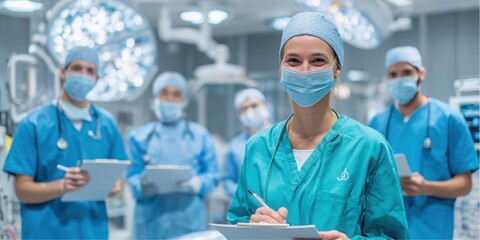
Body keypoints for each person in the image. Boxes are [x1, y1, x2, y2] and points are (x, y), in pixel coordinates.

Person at [227, 12, 409, 239]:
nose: (304, 70)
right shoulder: (258, 148)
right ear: (281, 67)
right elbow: (238, 222)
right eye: (293, 60)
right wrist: (254, 228)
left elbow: (391, 234)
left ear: (336, 68)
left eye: (317, 60)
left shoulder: (369, 148)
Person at [2, 46, 127, 239]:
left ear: (97, 79)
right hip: (45, 232)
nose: (83, 75)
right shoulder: (34, 123)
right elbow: (22, 191)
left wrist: (115, 187)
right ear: (62, 72)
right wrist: (62, 186)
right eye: (77, 68)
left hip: (93, 232)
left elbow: (118, 177)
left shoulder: (107, 125)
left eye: (90, 71)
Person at [368, 46, 479, 239]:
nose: (400, 79)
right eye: (393, 74)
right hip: (386, 230)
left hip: (433, 230)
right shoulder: (377, 123)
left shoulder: (449, 118)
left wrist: (426, 187)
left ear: (421, 74)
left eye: (407, 72)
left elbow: (465, 183)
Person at [126, 72, 220, 239]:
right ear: (155, 98)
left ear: (183, 100)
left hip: (189, 222)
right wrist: (142, 186)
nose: (170, 99)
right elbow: (132, 174)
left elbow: (212, 173)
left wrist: (198, 184)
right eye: (164, 93)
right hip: (150, 224)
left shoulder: (199, 135)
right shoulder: (139, 137)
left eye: (176, 94)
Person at [224, 88, 271, 198]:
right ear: (239, 114)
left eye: (254, 105)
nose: (250, 111)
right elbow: (228, 181)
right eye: (244, 109)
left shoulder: (282, 138)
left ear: (265, 105)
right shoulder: (235, 147)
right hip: (248, 209)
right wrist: (244, 194)